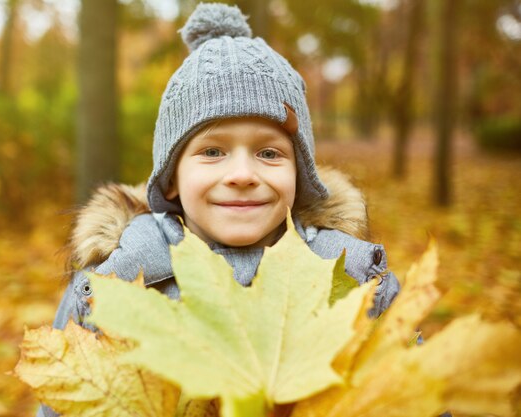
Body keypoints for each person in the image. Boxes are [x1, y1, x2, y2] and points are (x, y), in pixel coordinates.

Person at [37, 3, 400, 416]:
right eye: (213, 151)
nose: (242, 174)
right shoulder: (112, 283)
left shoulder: (354, 276)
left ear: (300, 175)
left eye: (268, 152)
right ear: (171, 177)